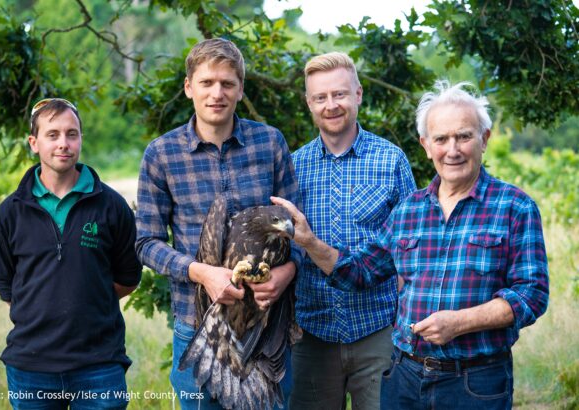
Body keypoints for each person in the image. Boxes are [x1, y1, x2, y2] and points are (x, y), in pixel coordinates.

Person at [272, 80, 549, 410]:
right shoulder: (409, 211)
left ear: (484, 139)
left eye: (463, 136)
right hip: (404, 378)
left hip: (475, 381)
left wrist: (460, 322)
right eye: (441, 139)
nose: (453, 150)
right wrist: (309, 241)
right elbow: (359, 272)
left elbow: (532, 295)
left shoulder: (515, 207)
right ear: (426, 145)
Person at [135, 38, 303, 409]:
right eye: (207, 82)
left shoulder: (270, 143)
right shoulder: (161, 154)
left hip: (266, 324)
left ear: (240, 89)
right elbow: (145, 243)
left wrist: (286, 273)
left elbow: (300, 231)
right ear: (188, 87)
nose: (217, 93)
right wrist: (201, 273)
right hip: (199, 324)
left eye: (227, 83)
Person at [0, 98, 142, 409]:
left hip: (99, 364)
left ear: (81, 139)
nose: (63, 144)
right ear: (34, 142)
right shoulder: (10, 213)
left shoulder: (111, 206)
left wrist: (88, 299)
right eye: (53, 134)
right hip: (31, 366)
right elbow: (8, 285)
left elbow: (128, 277)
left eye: (72, 134)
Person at [285, 52, 416, 409]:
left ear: (358, 94)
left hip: (378, 330)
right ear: (309, 103)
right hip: (312, 334)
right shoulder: (293, 167)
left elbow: (410, 252)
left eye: (340, 94)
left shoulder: (391, 161)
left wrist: (403, 329)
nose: (331, 105)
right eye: (321, 97)